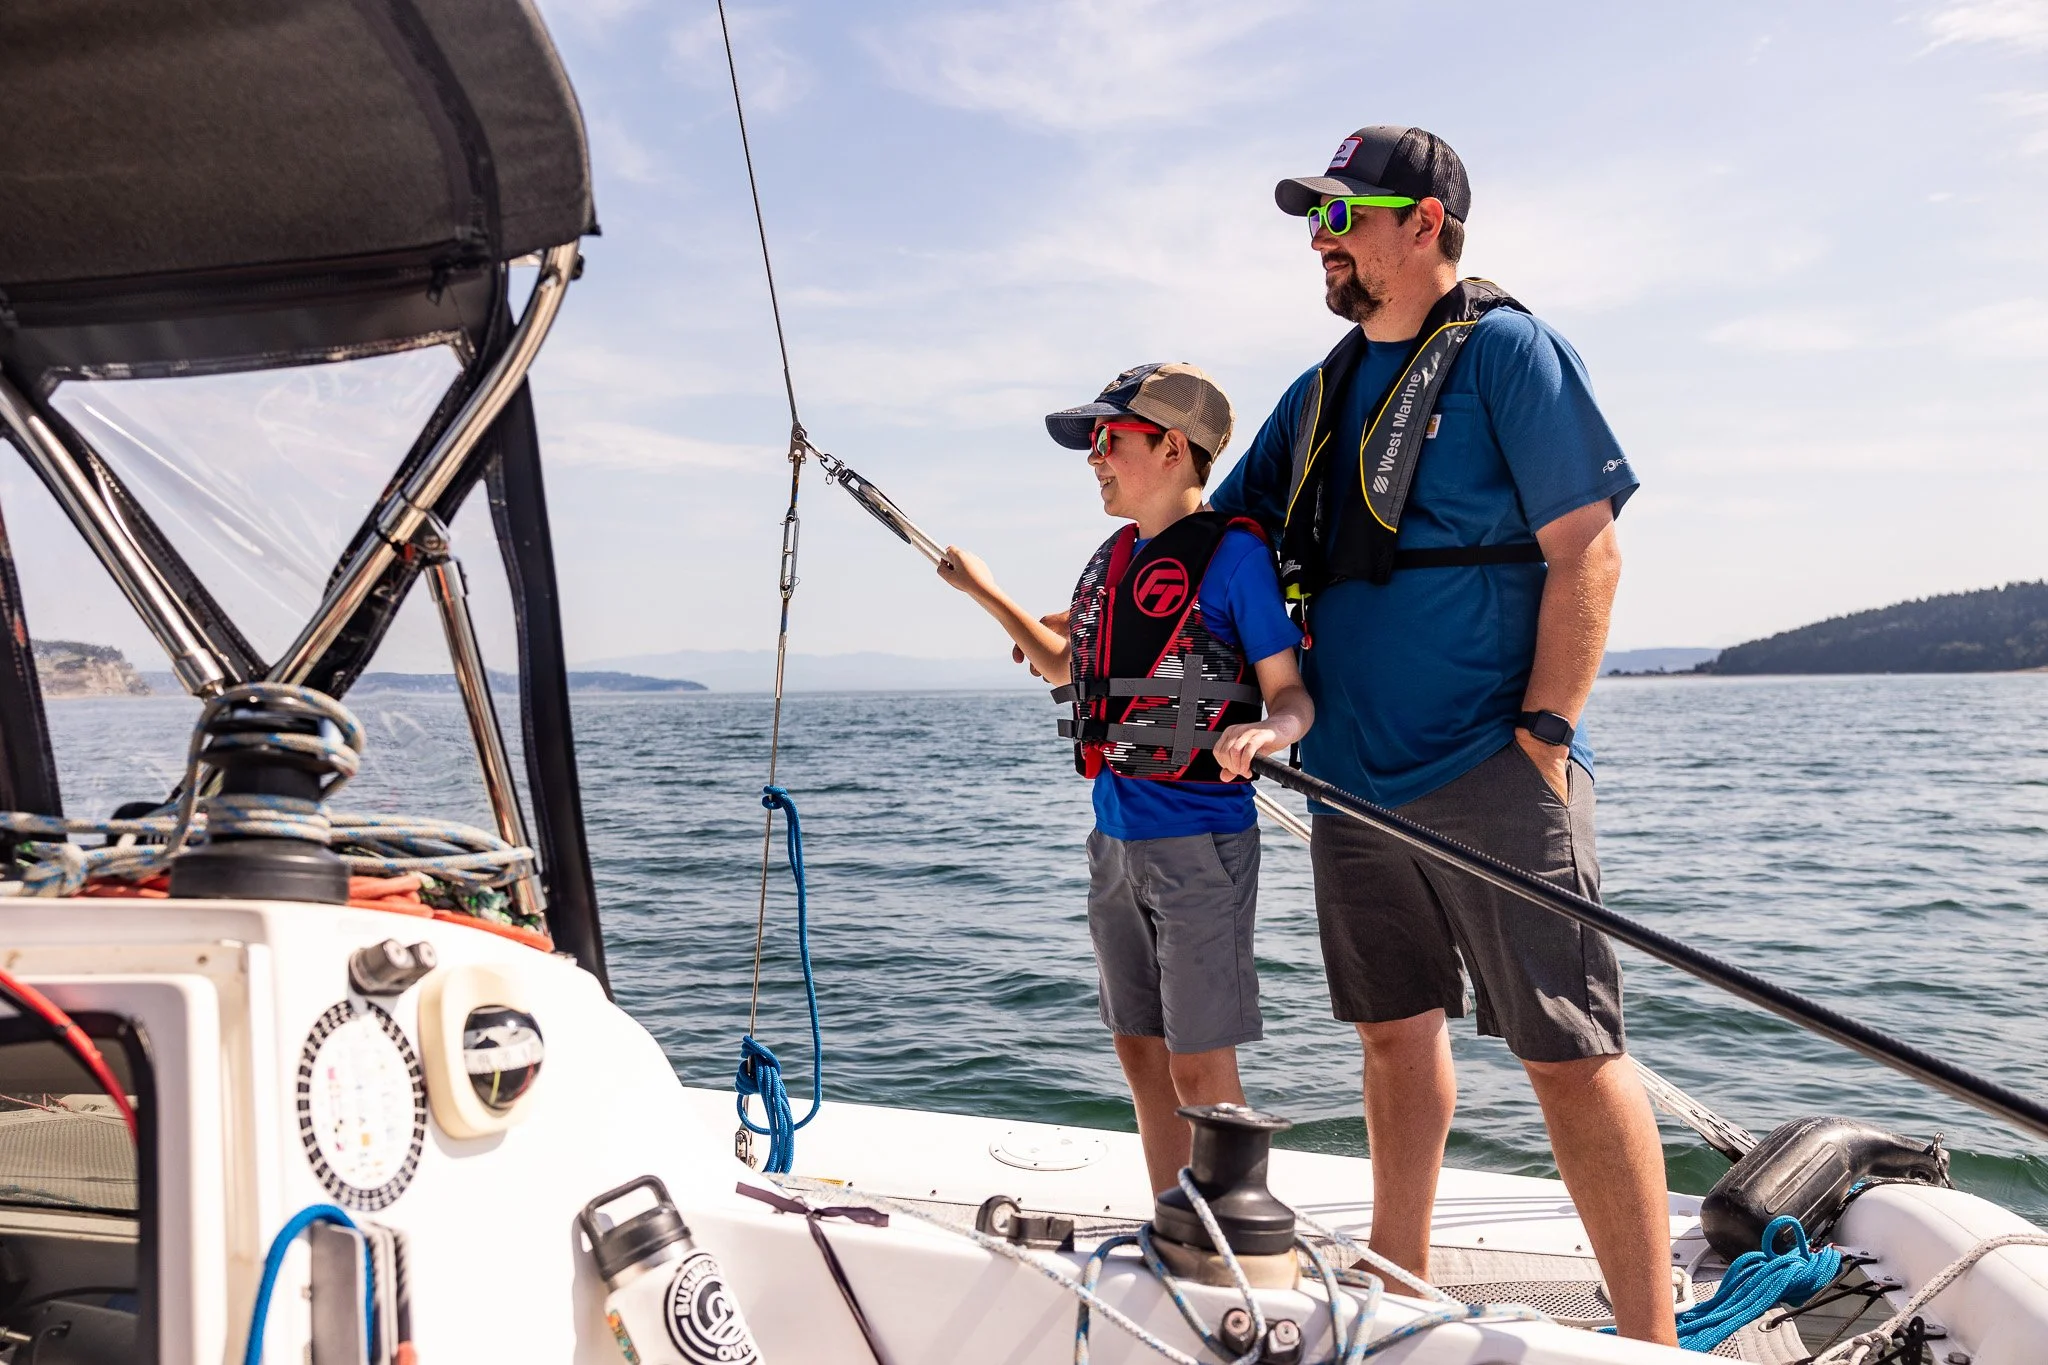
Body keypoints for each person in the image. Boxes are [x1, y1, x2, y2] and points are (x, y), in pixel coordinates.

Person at [1207, 126, 1677, 1345]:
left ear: (1422, 224)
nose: (1320, 241)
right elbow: (1220, 540)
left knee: (1568, 1052)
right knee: (1387, 1034)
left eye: (1343, 215)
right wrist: (1100, 617)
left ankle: (1650, 1339)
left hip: (1488, 766)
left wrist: (1544, 732)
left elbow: (1587, 546)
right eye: (1313, 220)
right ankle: (1398, 1278)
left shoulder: (1509, 351)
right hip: (1347, 779)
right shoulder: (1314, 393)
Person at [936, 363, 1313, 1198]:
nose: (1094, 459)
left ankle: (1230, 1243)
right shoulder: (1111, 561)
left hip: (1198, 847)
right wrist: (989, 596)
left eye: (1109, 441)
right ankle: (1174, 1221)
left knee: (1199, 1064)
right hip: (1114, 840)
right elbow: (1068, 669)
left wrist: (1270, 730)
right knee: (1139, 1047)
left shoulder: (1235, 558)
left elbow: (1289, 691)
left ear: (1172, 447)